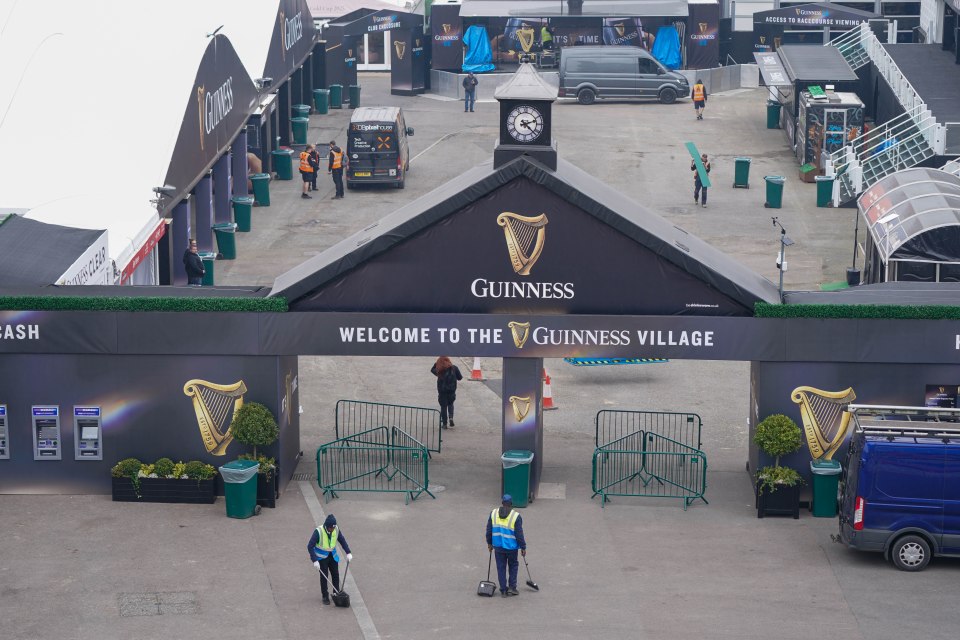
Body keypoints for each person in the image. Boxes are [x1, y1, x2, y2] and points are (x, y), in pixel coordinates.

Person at [485, 494, 526, 598]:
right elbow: (519, 534)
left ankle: (503, 590)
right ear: (511, 503)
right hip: (512, 548)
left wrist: (489, 543)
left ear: (502, 503)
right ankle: (512, 588)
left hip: (498, 547)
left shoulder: (493, 514)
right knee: (513, 566)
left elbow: (489, 531)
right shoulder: (516, 516)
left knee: (501, 567)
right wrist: (523, 547)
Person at [308, 514, 353, 605]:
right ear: (326, 526)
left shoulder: (336, 529)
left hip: (332, 555)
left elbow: (342, 540)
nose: (332, 530)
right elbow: (310, 546)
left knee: (335, 574)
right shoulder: (318, 532)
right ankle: (325, 596)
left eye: (333, 528)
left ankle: (336, 593)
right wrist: (314, 560)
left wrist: (348, 552)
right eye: (330, 528)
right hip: (321, 557)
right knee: (324, 577)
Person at [430, 356, 463, 428]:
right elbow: (460, 378)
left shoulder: (439, 370)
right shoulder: (454, 368)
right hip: (452, 390)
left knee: (443, 406)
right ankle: (451, 417)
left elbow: (432, 370)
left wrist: (437, 363)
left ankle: (444, 424)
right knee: (451, 403)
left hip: (442, 391)